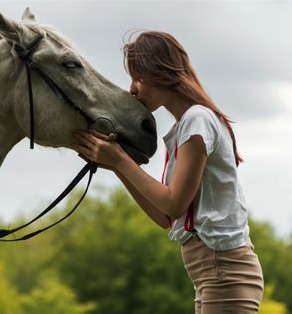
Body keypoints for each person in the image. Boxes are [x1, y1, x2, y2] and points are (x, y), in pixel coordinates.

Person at [72, 31, 264, 313]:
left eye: (138, 77)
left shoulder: (197, 122)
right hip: (213, 274)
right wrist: (114, 165)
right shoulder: (186, 126)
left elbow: (174, 202)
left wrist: (121, 160)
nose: (132, 88)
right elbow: (165, 216)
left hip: (224, 273)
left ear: (160, 73)